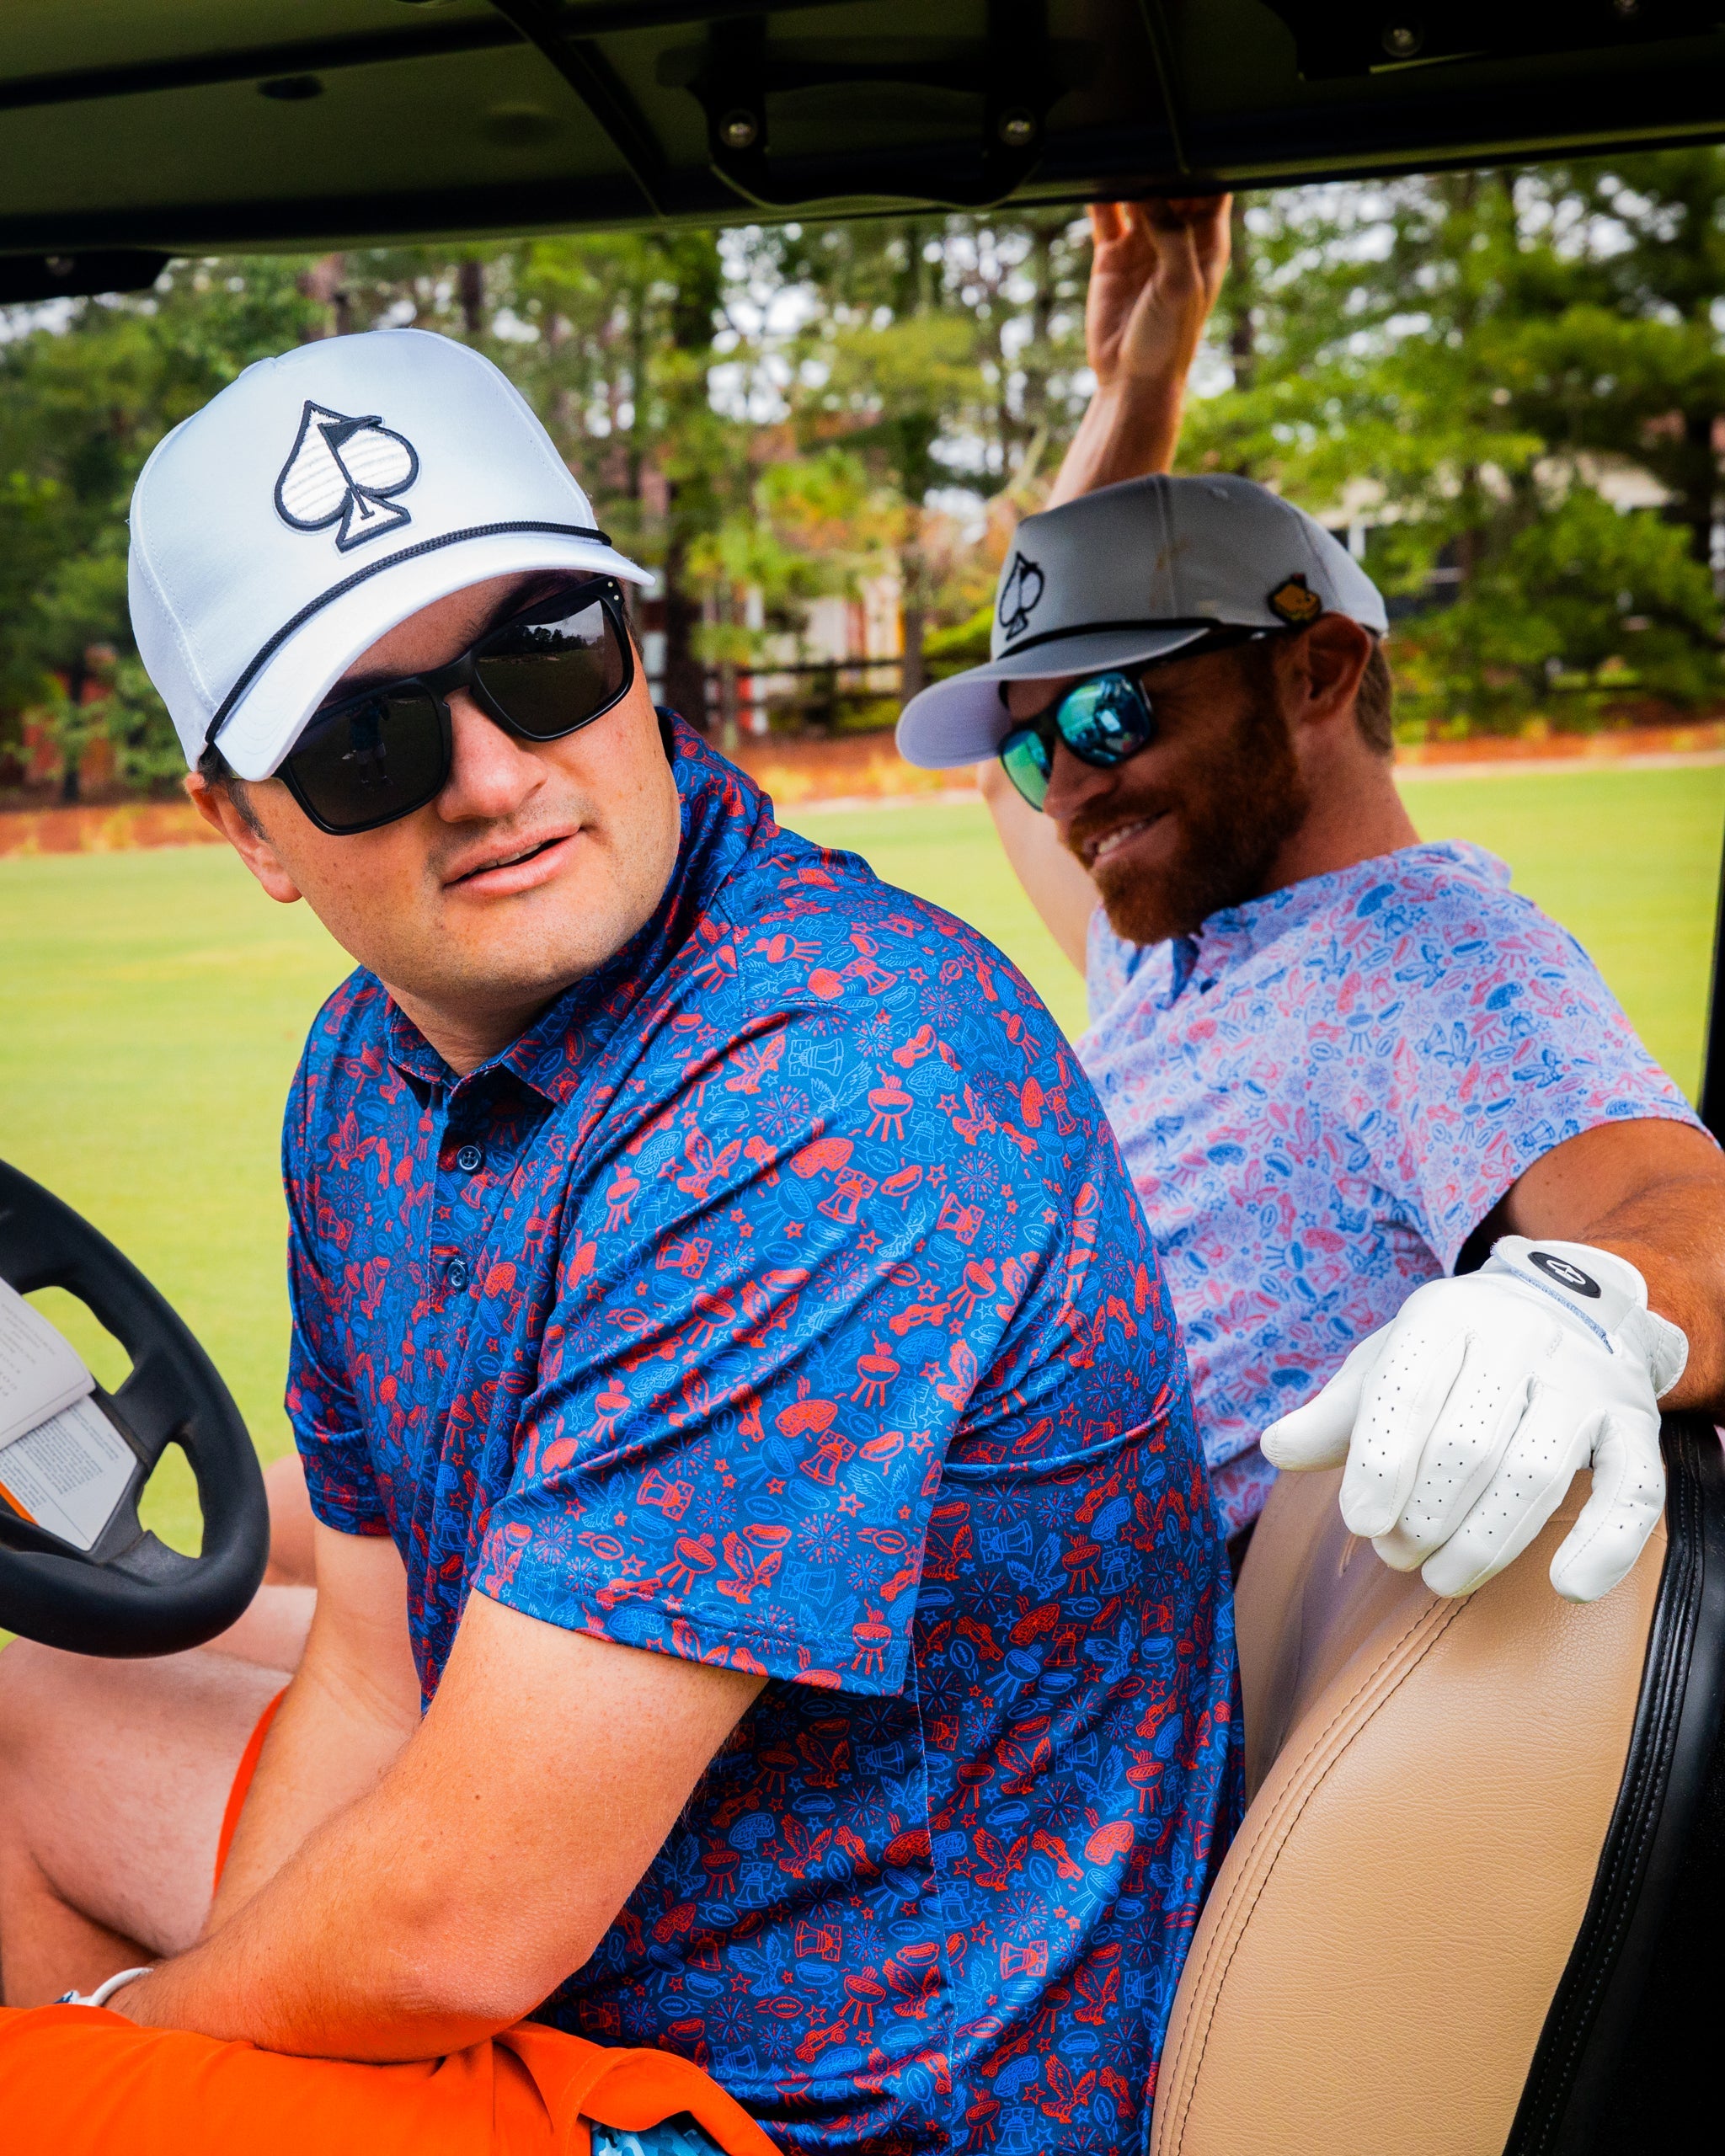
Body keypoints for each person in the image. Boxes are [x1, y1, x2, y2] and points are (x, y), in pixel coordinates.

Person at [0, 327, 1237, 2154]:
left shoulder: (832, 1084)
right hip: (604, 1969)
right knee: (22, 1705)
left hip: (816, 2101)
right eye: (366, 736)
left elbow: (457, 1924)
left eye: (545, 651)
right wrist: (209, 2043)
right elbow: (371, 1668)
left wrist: (128, 2039)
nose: (495, 774)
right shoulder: (361, 1073)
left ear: (633, 652)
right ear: (246, 826)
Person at [895, 196, 1725, 1599]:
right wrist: (1137, 391)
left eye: (1106, 717)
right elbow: (999, 790)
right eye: (1036, 746)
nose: (1064, 790)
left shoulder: (1432, 962)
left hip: (1083, 1712)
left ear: (1318, 674)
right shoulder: (1183, 933)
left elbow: (1682, 1205)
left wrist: (1582, 1311)